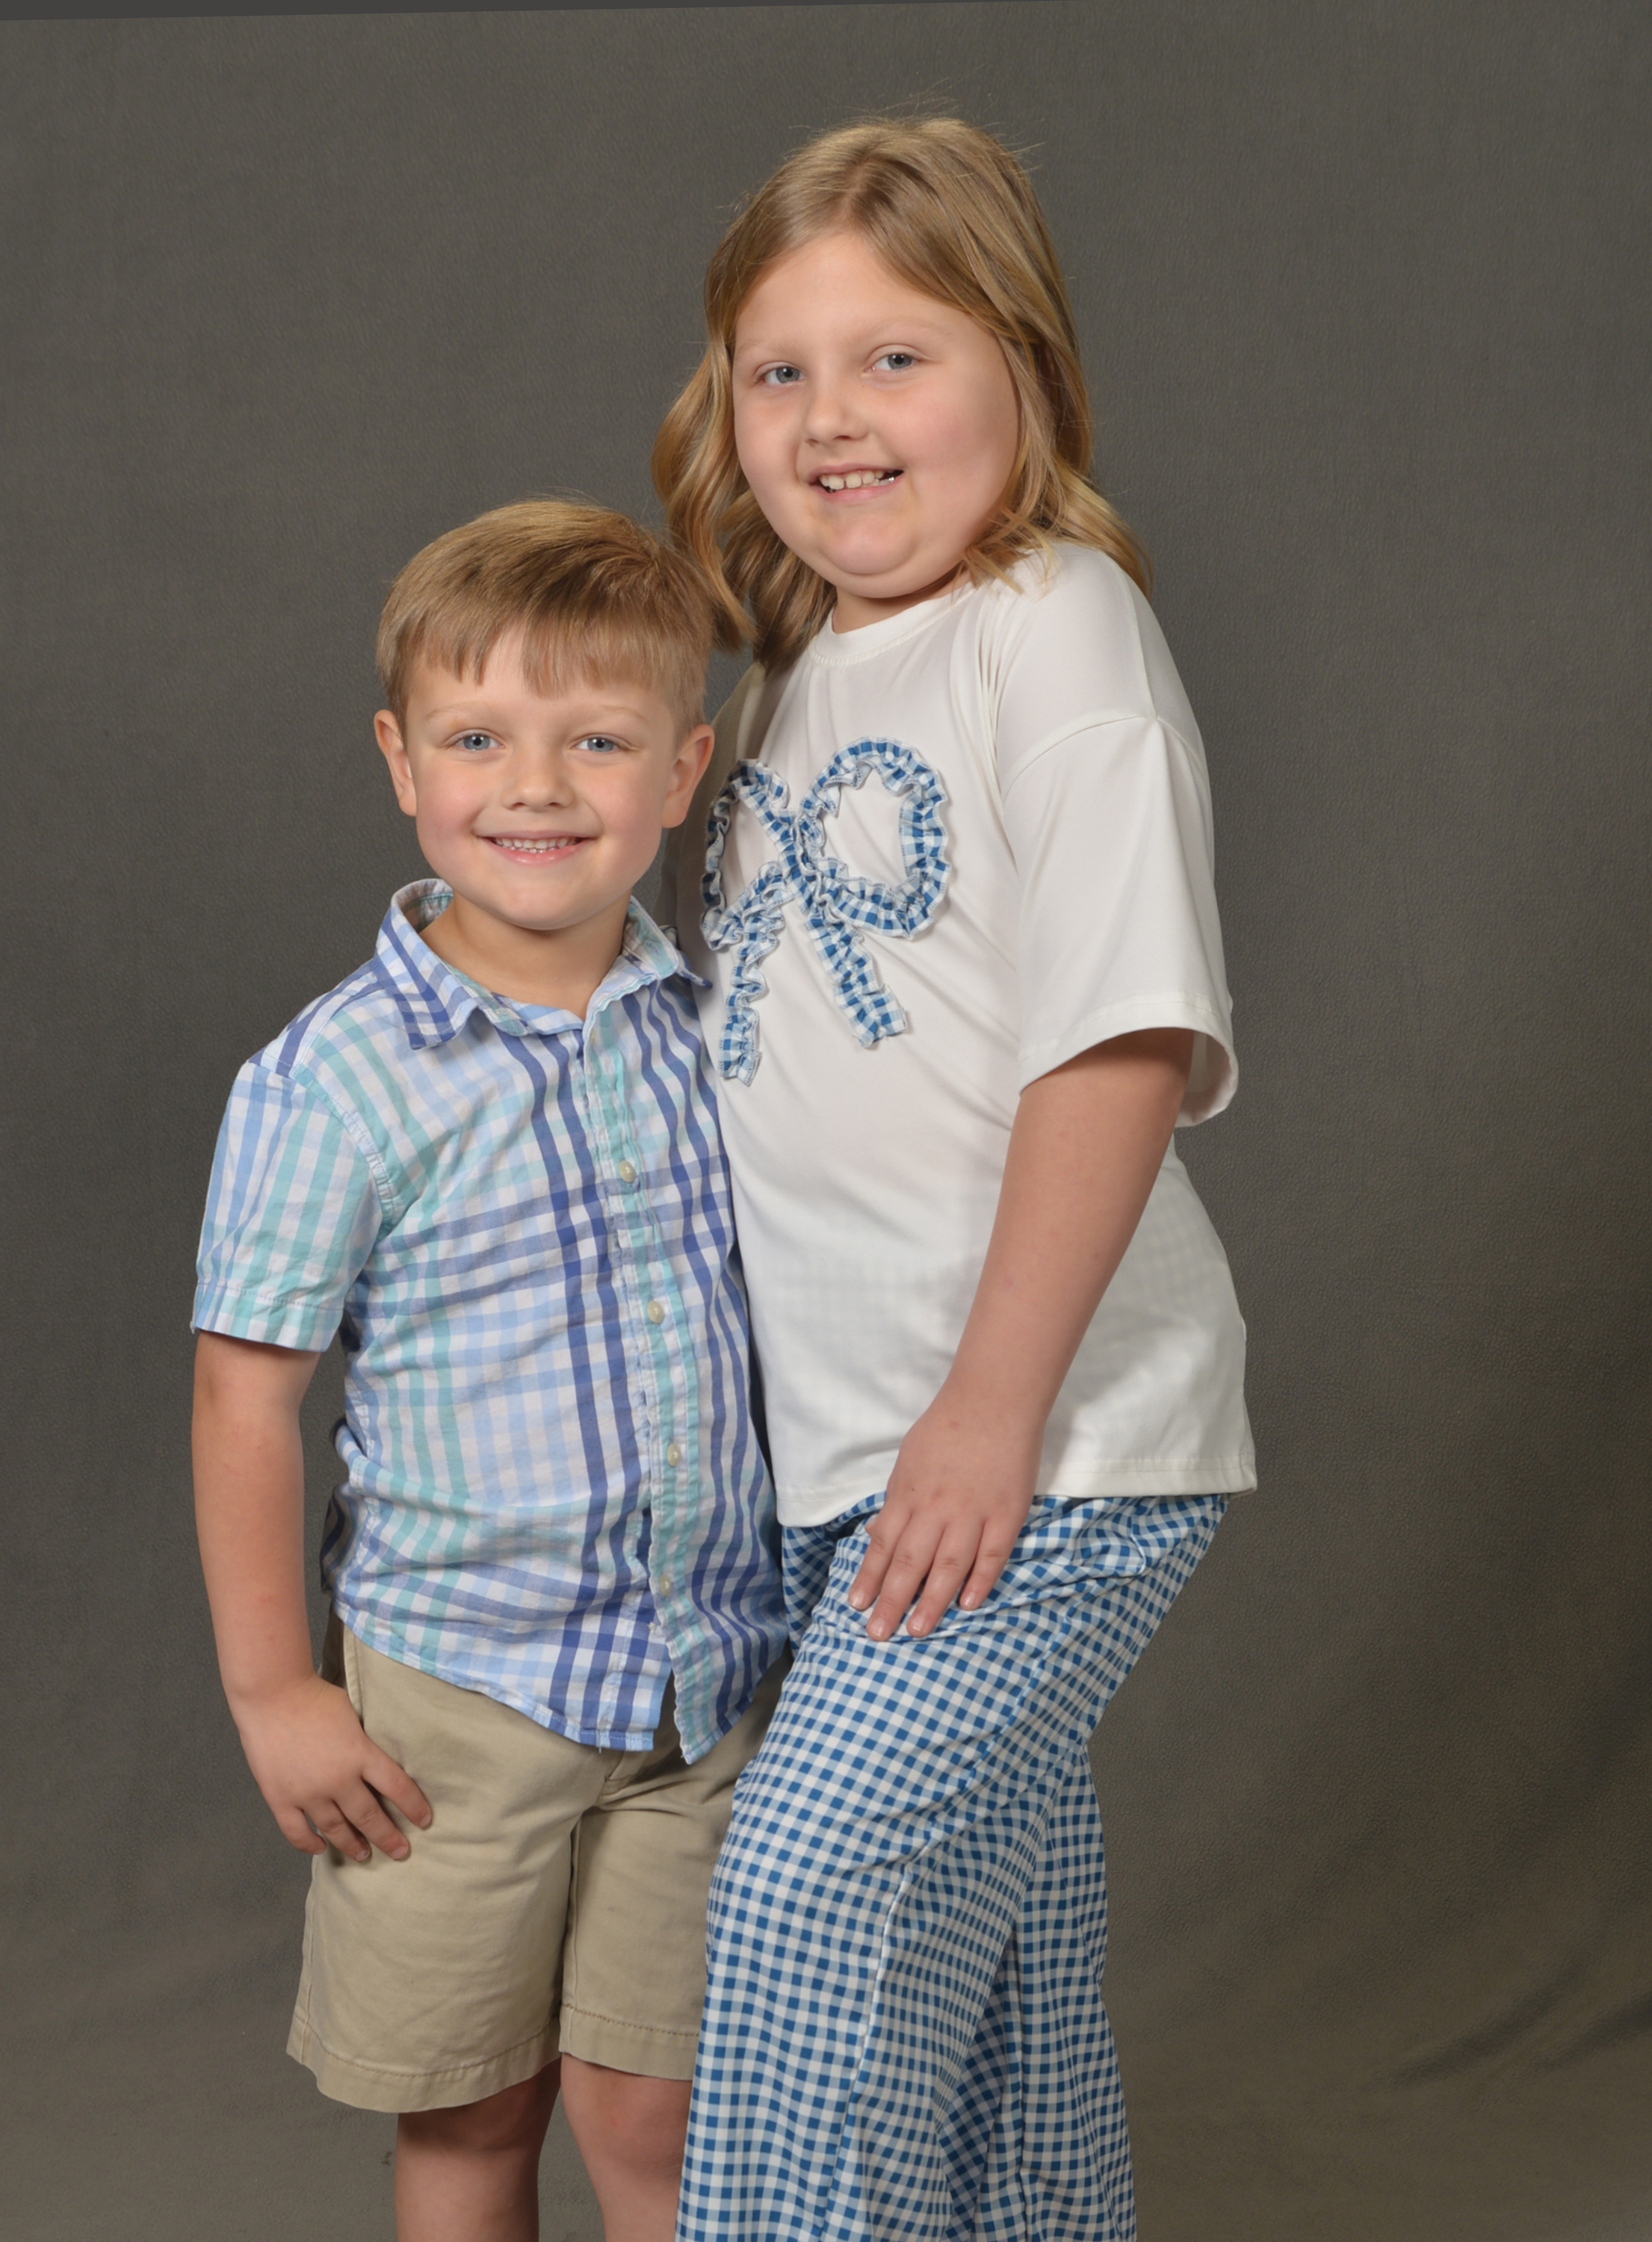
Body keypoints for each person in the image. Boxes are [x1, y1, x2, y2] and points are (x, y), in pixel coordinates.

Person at [652, 119, 1256, 2241]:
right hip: (853, 1458)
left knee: (810, 1904)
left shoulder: (1053, 626)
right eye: (780, 370)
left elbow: (1121, 1041)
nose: (831, 418)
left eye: (894, 359)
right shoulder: (796, 680)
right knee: (998, 1997)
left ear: (1025, 368)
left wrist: (991, 1412)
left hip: (1042, 1440)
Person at [191, 501, 788, 2242]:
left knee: (665, 2109)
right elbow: (246, 1397)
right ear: (402, 762)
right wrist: (272, 1694)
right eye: (477, 741)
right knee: (468, 2112)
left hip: (704, 1673)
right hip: (458, 1688)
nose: (536, 788)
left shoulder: (716, 1032)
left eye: (596, 741)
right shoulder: (333, 1081)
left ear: (681, 771)